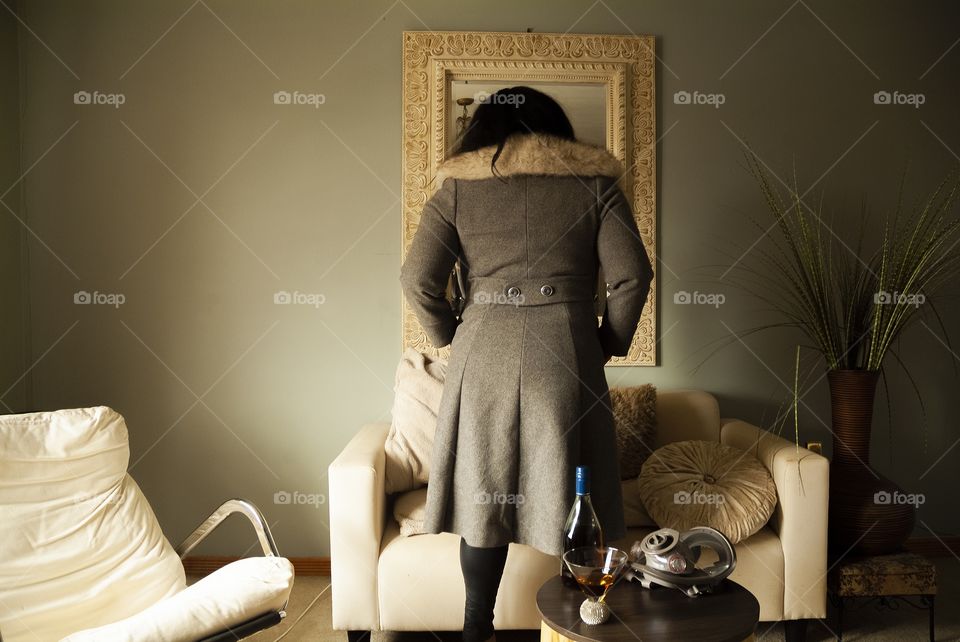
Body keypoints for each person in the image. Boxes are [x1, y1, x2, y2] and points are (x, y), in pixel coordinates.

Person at [399, 86, 654, 642]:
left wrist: (452, 335)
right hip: (566, 354)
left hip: (482, 354)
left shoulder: (457, 191)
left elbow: (417, 280)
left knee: (485, 496)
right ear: (554, 128)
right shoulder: (594, 187)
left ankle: (476, 629)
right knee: (575, 490)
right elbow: (632, 277)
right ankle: (581, 625)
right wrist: (605, 344)